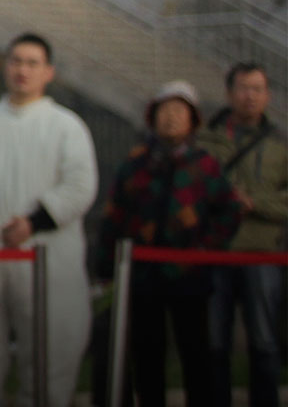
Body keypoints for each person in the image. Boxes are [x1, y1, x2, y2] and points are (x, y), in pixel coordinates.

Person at [0, 33, 99, 407]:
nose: (22, 70)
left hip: (46, 260)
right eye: (16, 61)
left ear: (49, 72)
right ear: (5, 66)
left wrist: (34, 221)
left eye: (32, 62)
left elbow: (80, 186)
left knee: (50, 363)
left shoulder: (66, 126)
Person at [94, 80, 244, 407]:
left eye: (180, 110)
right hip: (143, 277)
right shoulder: (136, 164)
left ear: (193, 120)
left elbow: (229, 210)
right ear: (152, 116)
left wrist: (207, 246)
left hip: (192, 276)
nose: (171, 117)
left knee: (197, 356)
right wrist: (106, 265)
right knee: (147, 356)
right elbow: (114, 214)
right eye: (165, 110)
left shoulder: (204, 165)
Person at [199, 61, 285, 407]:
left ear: (268, 95)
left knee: (264, 342)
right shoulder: (206, 140)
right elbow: (193, 190)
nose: (251, 96)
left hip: (262, 255)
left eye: (258, 89)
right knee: (214, 343)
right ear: (229, 93)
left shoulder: (281, 143)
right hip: (214, 254)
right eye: (244, 88)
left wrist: (256, 203)